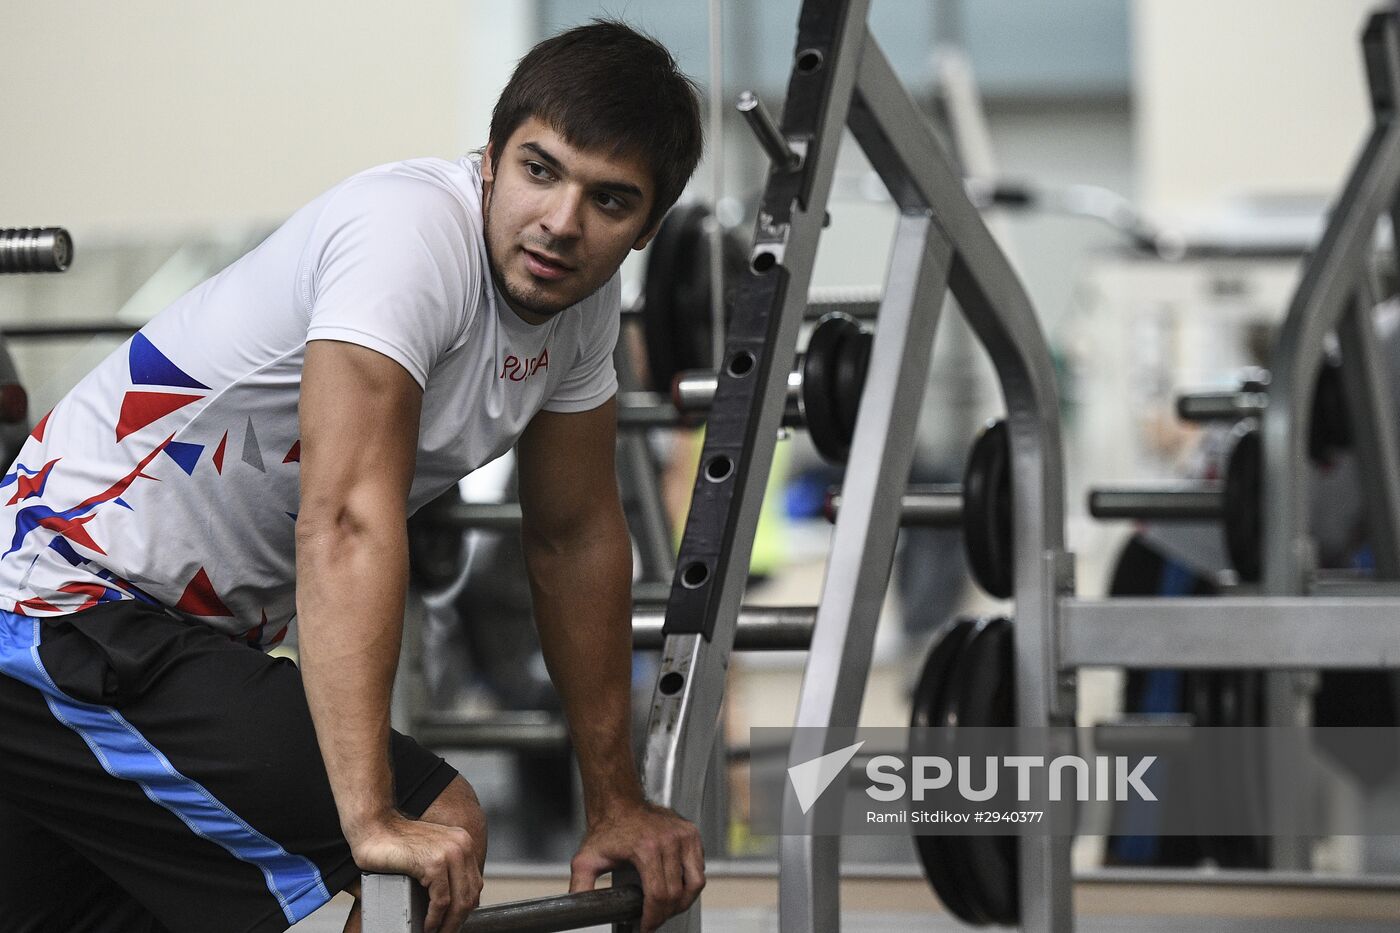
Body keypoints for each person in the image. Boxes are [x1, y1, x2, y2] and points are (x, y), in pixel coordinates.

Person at [0, 19, 705, 933]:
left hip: (165, 643)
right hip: (62, 609)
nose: (562, 222)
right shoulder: (408, 235)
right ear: (490, 159)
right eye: (541, 170)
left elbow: (573, 537)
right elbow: (343, 521)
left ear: (647, 228)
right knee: (433, 831)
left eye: (609, 201)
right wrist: (369, 815)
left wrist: (616, 802)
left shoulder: (579, 310)